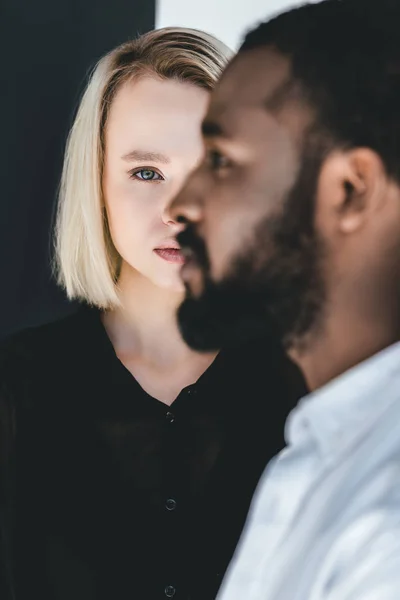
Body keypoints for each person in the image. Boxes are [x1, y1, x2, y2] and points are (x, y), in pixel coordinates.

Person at [0, 27, 304, 600]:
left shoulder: (310, 389)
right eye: (146, 172)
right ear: (97, 181)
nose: (178, 208)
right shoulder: (15, 388)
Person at [170, 1, 400, 598]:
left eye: (220, 161)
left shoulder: (386, 524)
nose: (182, 203)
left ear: (352, 190)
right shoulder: (323, 452)